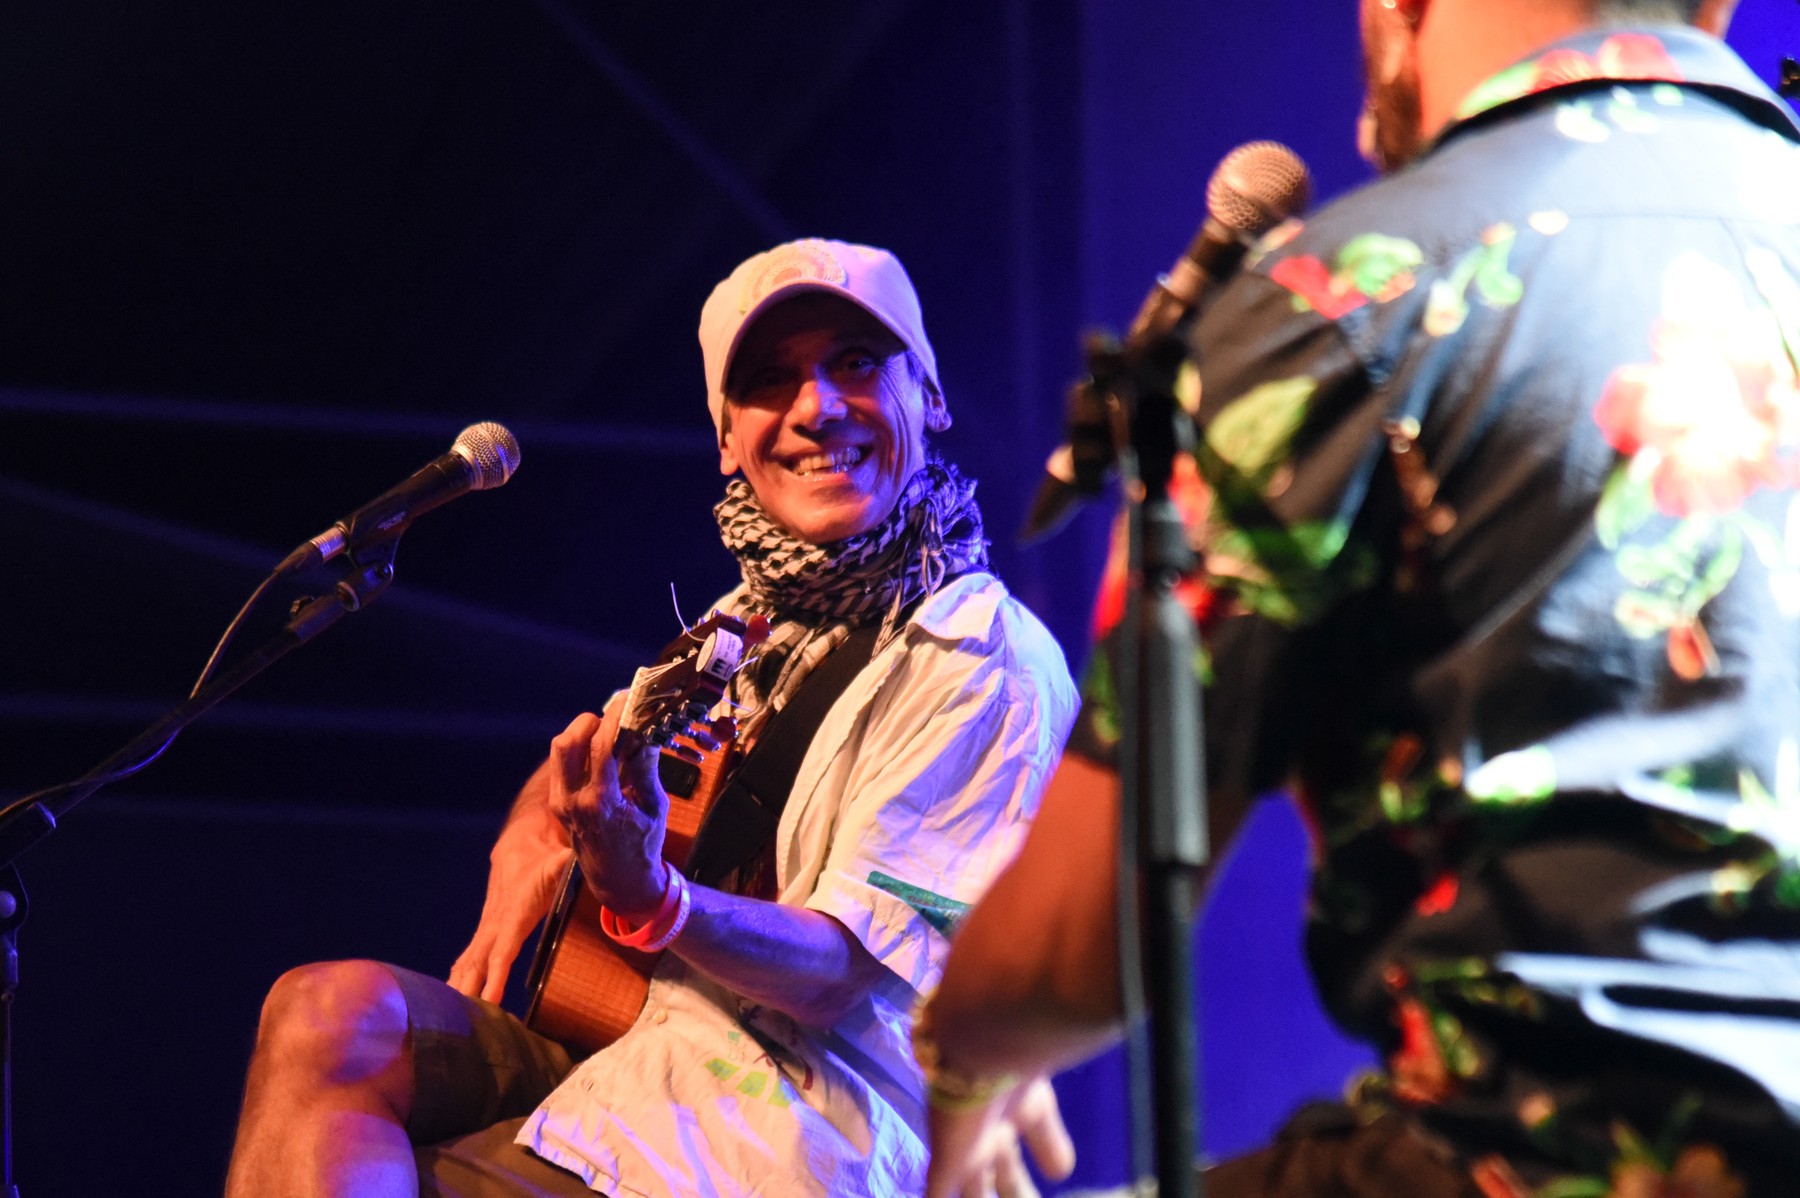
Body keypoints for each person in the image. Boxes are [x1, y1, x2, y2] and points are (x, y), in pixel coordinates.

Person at [920, 1, 1800, 1195]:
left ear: (1397, 11)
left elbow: (1075, 955)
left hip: (1535, 1158)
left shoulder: (1355, 293)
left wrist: (968, 1045)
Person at [223, 237, 1079, 1197]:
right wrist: (525, 835)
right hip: (636, 1047)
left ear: (928, 397)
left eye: (854, 363)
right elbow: (598, 764)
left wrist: (653, 899)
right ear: (726, 439)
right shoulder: (740, 624)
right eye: (768, 381)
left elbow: (845, 970)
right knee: (324, 1018)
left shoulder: (984, 660)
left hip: (794, 1119)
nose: (816, 408)